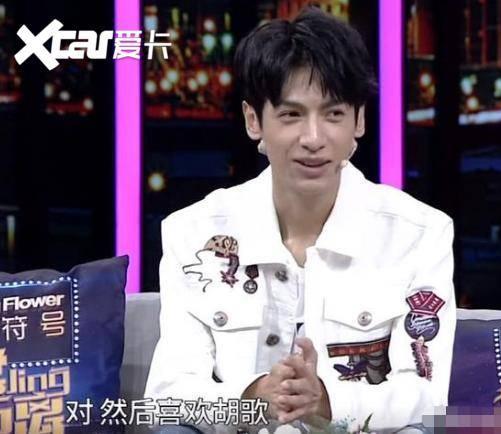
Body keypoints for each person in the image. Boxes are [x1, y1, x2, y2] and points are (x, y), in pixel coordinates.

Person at [145, 6, 456, 434]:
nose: (313, 139)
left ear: (359, 120)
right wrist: (250, 398)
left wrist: (327, 400)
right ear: (254, 120)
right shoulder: (194, 234)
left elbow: (425, 395)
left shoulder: (418, 235)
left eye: (333, 114)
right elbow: (167, 395)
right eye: (291, 115)